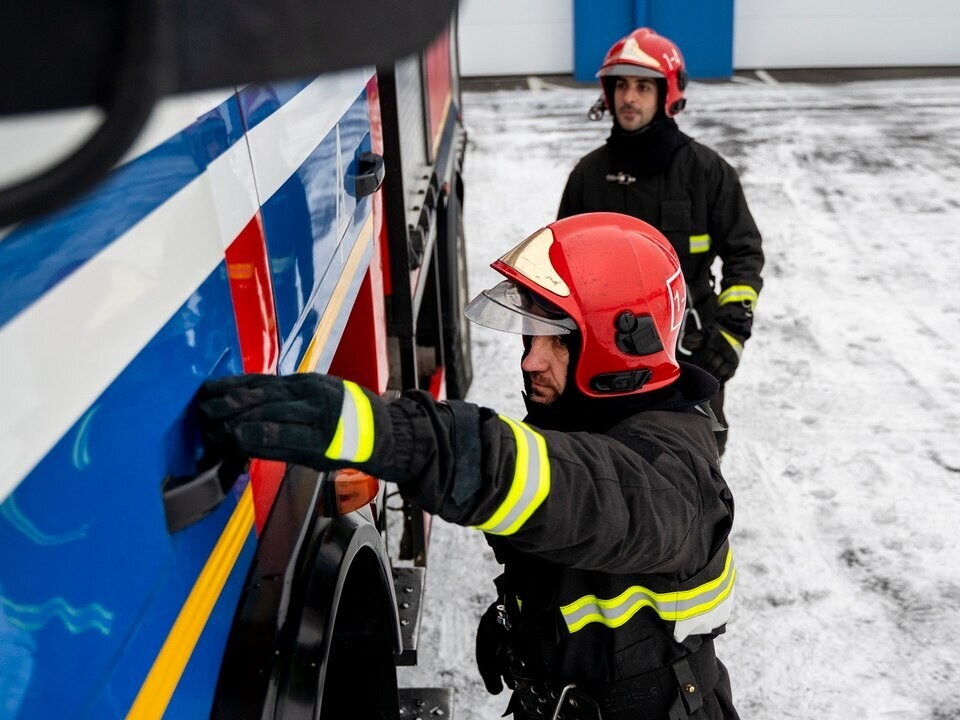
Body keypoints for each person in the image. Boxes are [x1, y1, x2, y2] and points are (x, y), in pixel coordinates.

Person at [197, 212, 739, 719]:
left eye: (557, 340)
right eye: (532, 335)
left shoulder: (674, 474)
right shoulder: (589, 423)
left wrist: (401, 436)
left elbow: (573, 489)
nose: (530, 360)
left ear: (618, 345)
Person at [558, 27, 764, 456]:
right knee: (605, 474)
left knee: (692, 477)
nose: (629, 97)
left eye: (643, 86)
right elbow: (561, 270)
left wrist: (728, 335)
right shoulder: (588, 176)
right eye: (622, 85)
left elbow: (744, 253)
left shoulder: (707, 172)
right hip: (601, 360)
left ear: (667, 93)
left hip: (689, 354)